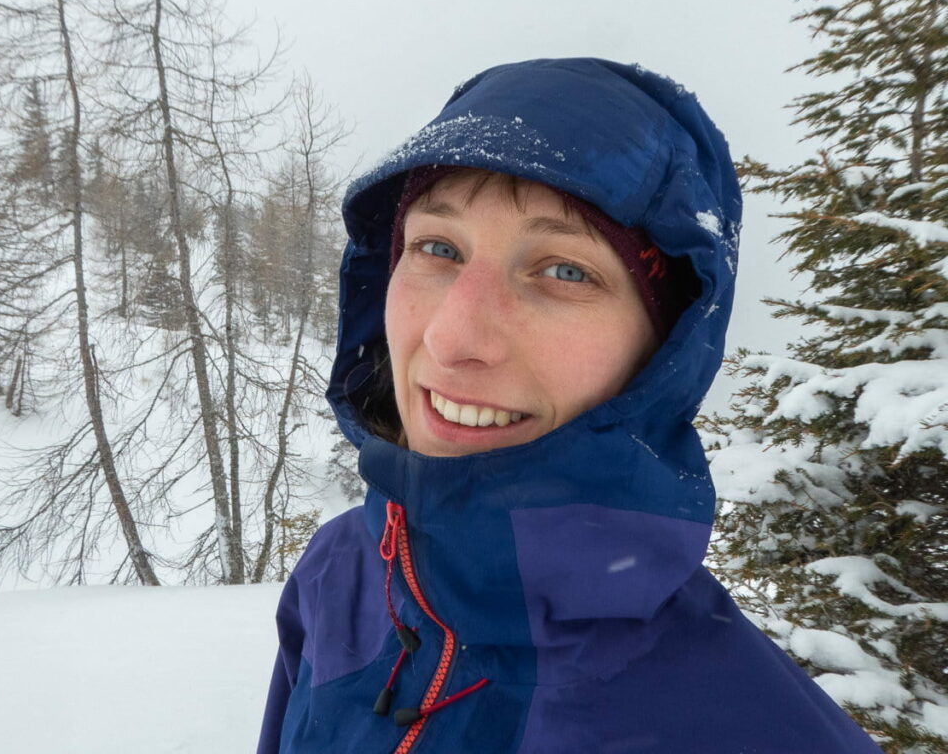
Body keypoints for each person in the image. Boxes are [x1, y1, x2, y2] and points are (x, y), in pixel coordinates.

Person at [256, 58, 883, 753]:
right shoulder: (336, 571)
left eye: (564, 270)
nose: (452, 337)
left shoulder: (755, 731)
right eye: (437, 247)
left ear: (663, 354)